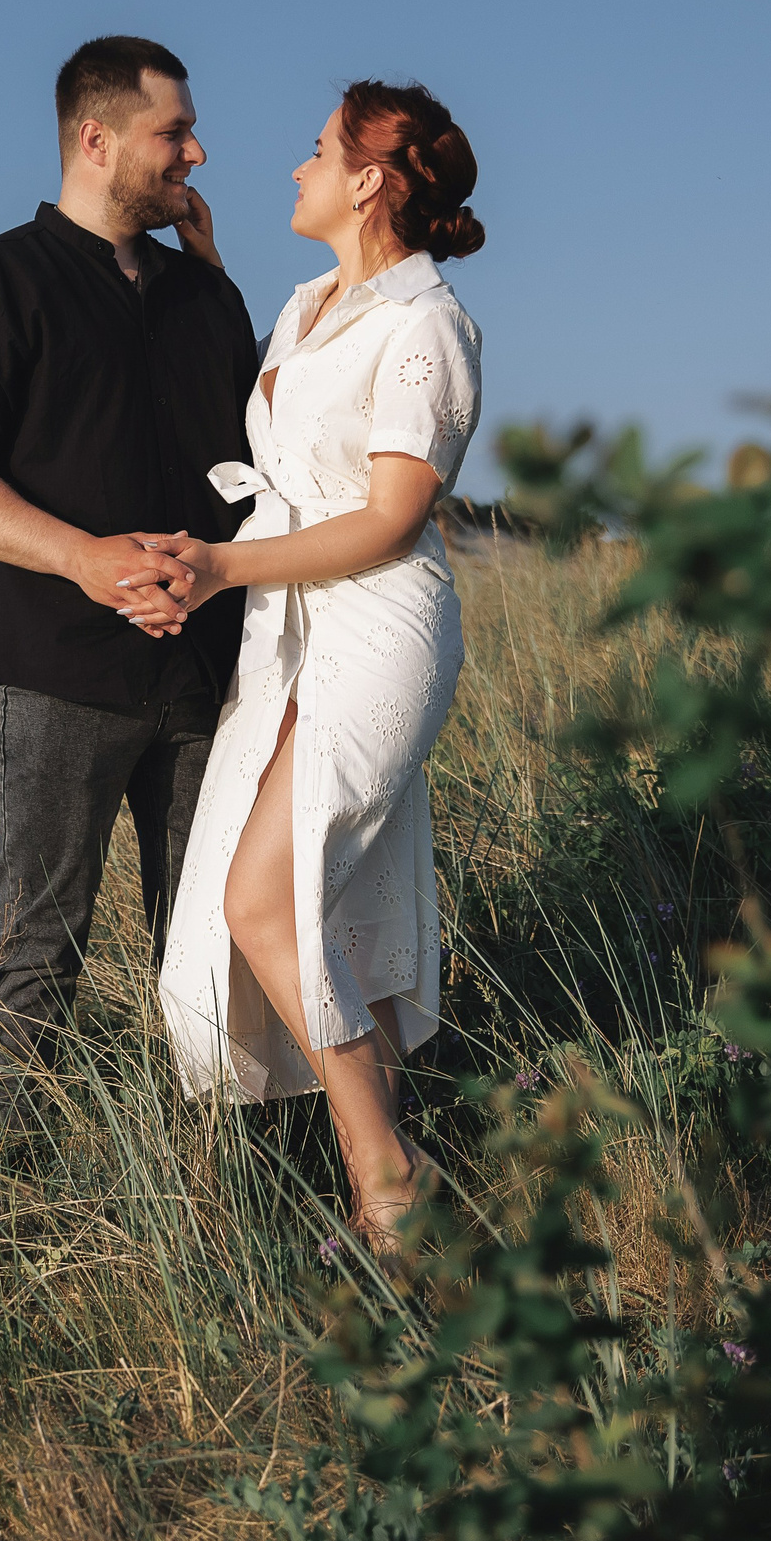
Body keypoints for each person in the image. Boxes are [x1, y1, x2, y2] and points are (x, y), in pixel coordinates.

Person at [140, 79, 485, 1249]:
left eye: (317, 150)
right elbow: (287, 432)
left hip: (379, 627)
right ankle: (414, 1167)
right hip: (287, 633)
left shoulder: (426, 325)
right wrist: (206, 266)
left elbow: (390, 515)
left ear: (370, 181)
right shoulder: (302, 304)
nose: (295, 167)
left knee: (262, 899)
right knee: (343, 904)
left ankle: (385, 1177)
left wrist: (223, 570)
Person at [0, 36, 258, 1133]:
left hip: (209, 677)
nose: (196, 152)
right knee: (36, 954)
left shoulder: (206, 297)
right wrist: (87, 561)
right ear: (95, 139)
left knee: (211, 954)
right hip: (55, 675)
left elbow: (257, 467)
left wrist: (217, 278)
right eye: (172, 133)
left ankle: (224, 1203)